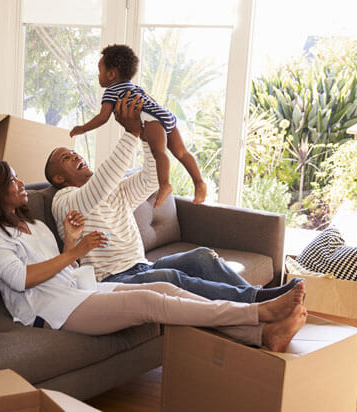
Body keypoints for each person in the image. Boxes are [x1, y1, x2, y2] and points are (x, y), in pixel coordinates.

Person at [0, 158, 307, 351]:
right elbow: (22, 279)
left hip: (76, 292)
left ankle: (262, 335)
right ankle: (256, 312)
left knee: (166, 290)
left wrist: (71, 242)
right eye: (12, 179)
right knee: (149, 302)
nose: (20, 182)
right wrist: (77, 251)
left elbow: (63, 268)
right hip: (50, 310)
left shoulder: (33, 224)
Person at [48, 93, 301, 304]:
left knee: (202, 256)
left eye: (74, 152)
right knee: (170, 278)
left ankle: (262, 299)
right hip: (112, 280)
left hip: (141, 266)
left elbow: (150, 179)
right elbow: (97, 189)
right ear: (59, 178)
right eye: (66, 158)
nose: (75, 156)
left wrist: (147, 135)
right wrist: (130, 134)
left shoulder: (114, 190)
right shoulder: (65, 200)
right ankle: (259, 301)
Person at [69, 44, 206, 207]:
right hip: (164, 114)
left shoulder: (111, 91)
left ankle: (165, 184)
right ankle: (199, 183)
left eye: (100, 71)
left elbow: (103, 117)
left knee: (159, 152)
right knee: (182, 152)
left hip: (151, 119)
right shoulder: (135, 87)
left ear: (111, 74)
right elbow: (151, 101)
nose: (98, 76)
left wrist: (83, 128)